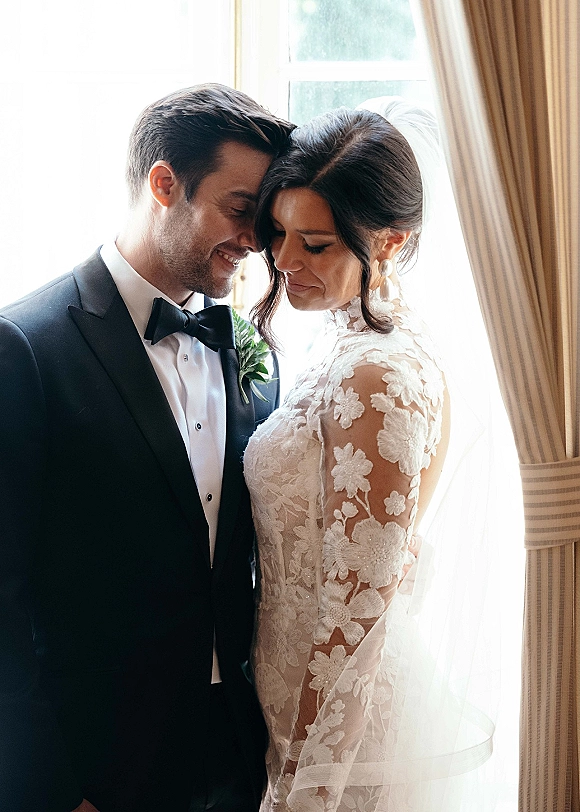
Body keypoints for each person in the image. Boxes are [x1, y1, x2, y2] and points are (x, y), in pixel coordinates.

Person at [0, 83, 293, 812]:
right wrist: (50, 791)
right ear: (164, 183)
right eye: (238, 209)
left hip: (236, 762)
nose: (256, 239)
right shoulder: (25, 348)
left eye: (263, 218)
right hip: (95, 771)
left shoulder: (251, 348)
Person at [244, 101, 452, 811]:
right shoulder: (350, 343)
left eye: (316, 243)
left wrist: (302, 791)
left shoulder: (378, 377)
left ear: (390, 243)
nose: (282, 260)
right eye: (278, 233)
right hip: (296, 712)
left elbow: (354, 616)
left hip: (340, 740)